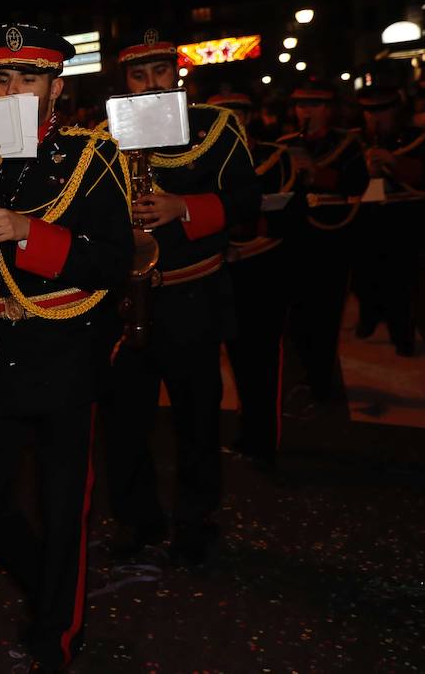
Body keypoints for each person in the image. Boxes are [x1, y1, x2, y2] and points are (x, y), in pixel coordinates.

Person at [0, 25, 132, 670]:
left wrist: (28, 233)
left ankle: (58, 634)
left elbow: (113, 260)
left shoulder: (91, 153)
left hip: (65, 347)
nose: (12, 91)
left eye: (27, 79)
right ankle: (48, 587)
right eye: (2, 79)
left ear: (56, 85)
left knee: (62, 506)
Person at [102, 29, 260, 566]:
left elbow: (247, 202)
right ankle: (137, 519)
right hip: (127, 301)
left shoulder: (217, 126)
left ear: (177, 74)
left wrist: (183, 209)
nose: (150, 83)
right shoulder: (104, 135)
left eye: (159, 72)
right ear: (125, 81)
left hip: (193, 294)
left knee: (197, 417)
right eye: (138, 75)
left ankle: (196, 519)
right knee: (124, 422)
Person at [210, 92, 298, 471]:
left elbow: (291, 214)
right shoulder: (211, 160)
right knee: (238, 359)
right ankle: (249, 434)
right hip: (225, 273)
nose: (233, 123)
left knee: (263, 362)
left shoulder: (275, 157)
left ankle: (265, 441)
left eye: (238, 115)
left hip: (265, 270)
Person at [280, 78, 368, 407]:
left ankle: (319, 382)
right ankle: (307, 373)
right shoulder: (287, 143)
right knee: (299, 316)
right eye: (302, 105)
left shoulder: (347, 145)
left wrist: (316, 174)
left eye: (314, 106)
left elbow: (356, 183)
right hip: (297, 242)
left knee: (326, 316)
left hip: (332, 241)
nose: (307, 112)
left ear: (329, 111)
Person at [351, 82, 425, 357]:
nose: (374, 117)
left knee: (402, 282)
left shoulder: (415, 138)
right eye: (369, 111)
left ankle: (402, 335)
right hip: (367, 219)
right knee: (364, 278)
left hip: (403, 221)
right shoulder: (355, 140)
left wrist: (394, 163)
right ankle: (370, 314)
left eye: (381, 110)